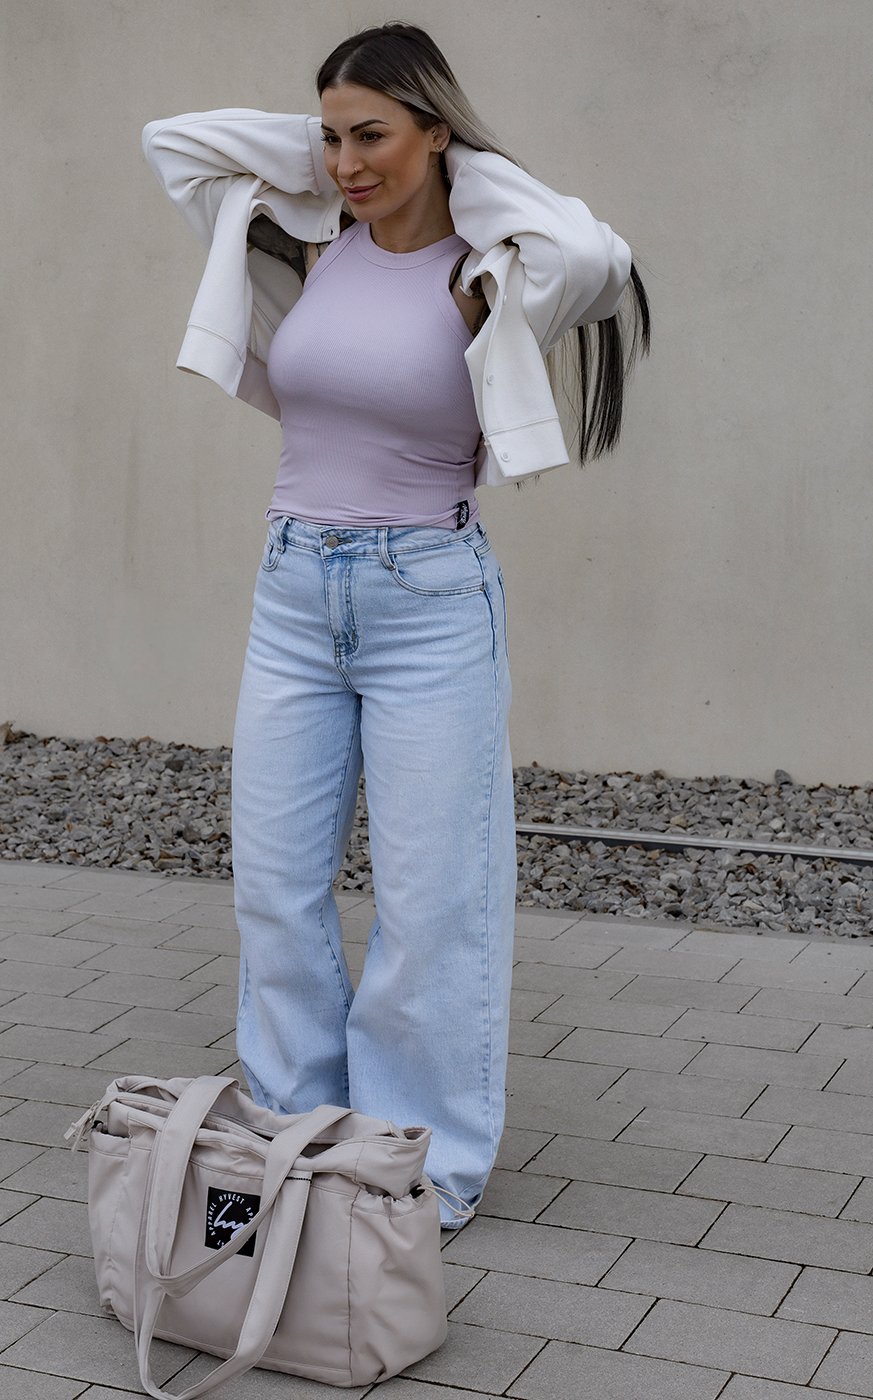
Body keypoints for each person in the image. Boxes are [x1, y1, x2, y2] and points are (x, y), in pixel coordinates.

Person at [143, 23, 649, 1228]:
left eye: (371, 135)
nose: (344, 162)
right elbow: (173, 145)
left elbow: (595, 248)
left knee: (431, 907)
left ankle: (414, 1168)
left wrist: (460, 167)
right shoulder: (311, 244)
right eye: (329, 137)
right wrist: (332, 157)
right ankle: (292, 1132)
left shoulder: (494, 271)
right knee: (275, 888)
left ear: (437, 131)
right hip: (292, 592)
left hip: (426, 601)